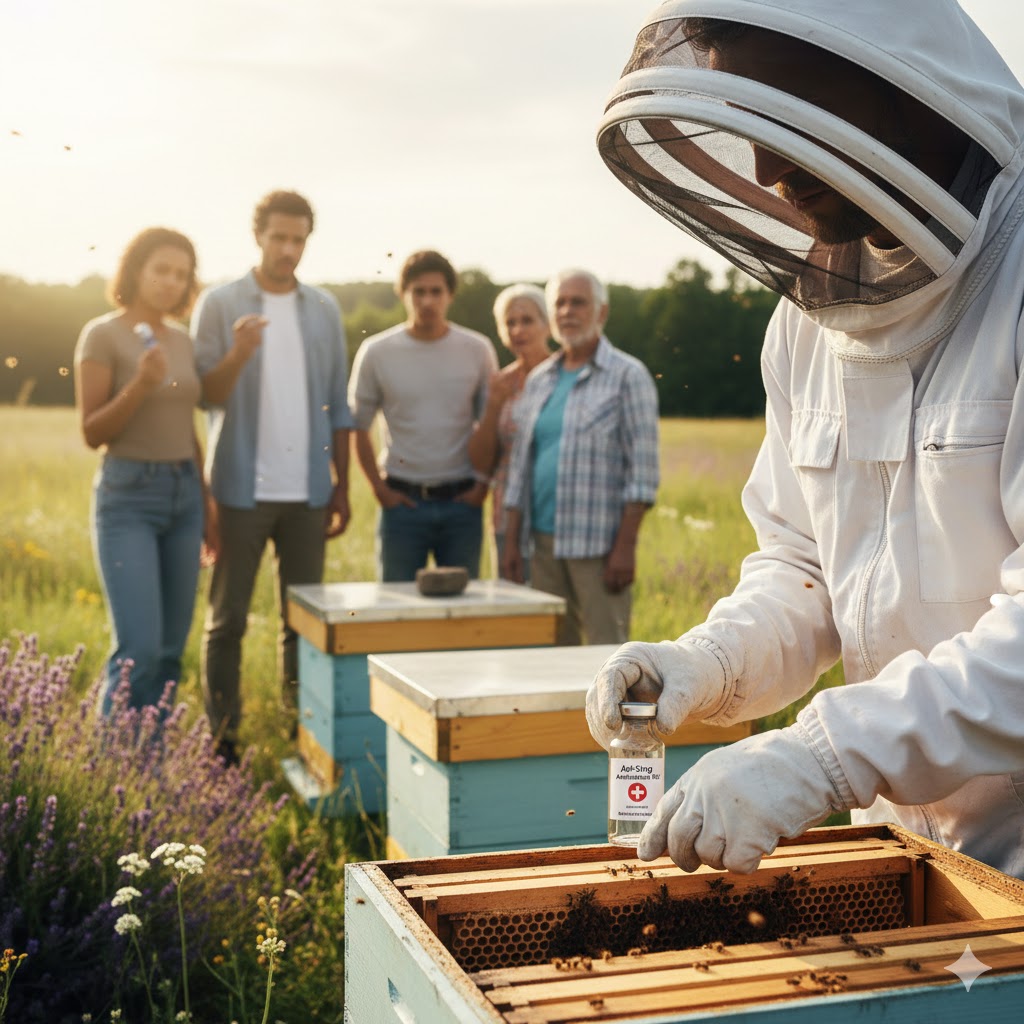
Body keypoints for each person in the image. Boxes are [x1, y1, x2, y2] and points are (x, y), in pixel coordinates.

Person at [587, 1, 1024, 880]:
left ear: (890, 76)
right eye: (738, 114)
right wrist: (703, 665)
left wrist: (818, 754)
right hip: (912, 849)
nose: (763, 164)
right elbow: (806, 571)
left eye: (779, 103)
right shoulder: (805, 325)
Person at [192, 190, 354, 762]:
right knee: (226, 620)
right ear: (257, 235)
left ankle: (298, 738)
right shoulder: (219, 303)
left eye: (299, 239)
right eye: (279, 237)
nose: (289, 249)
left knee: (302, 627)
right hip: (238, 490)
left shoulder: (325, 309)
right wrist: (238, 352)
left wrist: (342, 485)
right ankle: (223, 745)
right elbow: (205, 394)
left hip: (308, 492)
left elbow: (339, 401)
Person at [74, 227, 217, 715]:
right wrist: (140, 383)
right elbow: (92, 433)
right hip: (128, 497)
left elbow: (185, 427)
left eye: (181, 274)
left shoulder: (184, 341)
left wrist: (207, 506)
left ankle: (148, 777)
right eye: (161, 270)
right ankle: (113, 773)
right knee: (138, 652)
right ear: (136, 270)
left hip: (185, 498)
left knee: (171, 655)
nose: (171, 282)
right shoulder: (103, 334)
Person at [502, 269, 659, 644]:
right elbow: (520, 469)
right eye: (559, 302)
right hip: (541, 546)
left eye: (578, 302)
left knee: (608, 657)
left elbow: (643, 472)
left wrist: (625, 548)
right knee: (552, 655)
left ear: (601, 312)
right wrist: (510, 542)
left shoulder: (627, 376)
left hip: (599, 548)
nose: (567, 310)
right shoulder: (540, 379)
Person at [349, 250, 498, 581]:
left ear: (450, 295)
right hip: (402, 504)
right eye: (418, 291)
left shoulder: (477, 349)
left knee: (461, 616)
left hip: (463, 503)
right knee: (397, 612)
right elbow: (358, 426)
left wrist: (483, 486)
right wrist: (379, 490)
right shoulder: (377, 352)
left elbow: (493, 423)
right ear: (403, 294)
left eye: (436, 292)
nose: (427, 301)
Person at [468, 283, 553, 579]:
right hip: (506, 519)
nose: (518, 330)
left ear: (548, 324)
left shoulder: (566, 376)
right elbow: (480, 463)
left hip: (557, 519)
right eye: (510, 323)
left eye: (527, 320)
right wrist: (493, 405)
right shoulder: (500, 384)